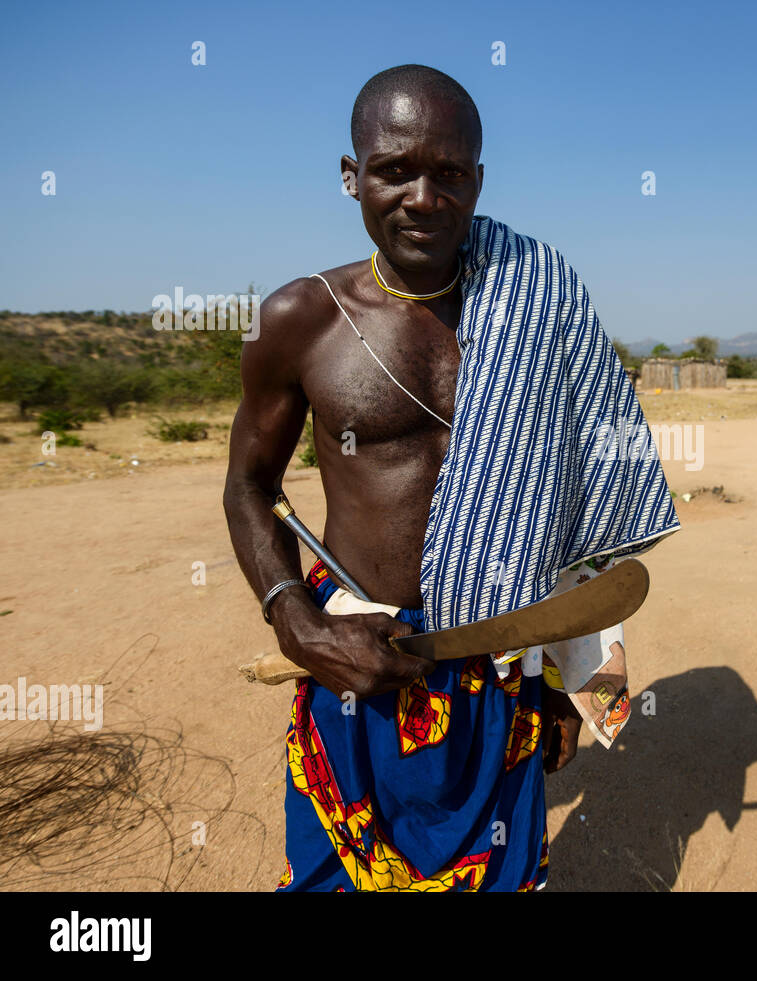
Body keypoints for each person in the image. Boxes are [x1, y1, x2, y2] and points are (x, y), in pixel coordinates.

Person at [222, 64, 678, 892]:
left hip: (498, 666)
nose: (424, 196)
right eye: (395, 169)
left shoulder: (536, 303)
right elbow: (250, 486)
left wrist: (559, 676)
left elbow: (579, 505)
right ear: (351, 175)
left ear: (478, 180)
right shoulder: (300, 320)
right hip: (358, 665)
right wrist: (297, 622)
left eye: (449, 172)